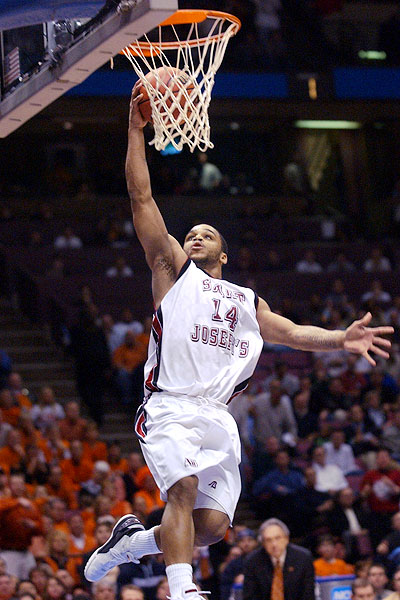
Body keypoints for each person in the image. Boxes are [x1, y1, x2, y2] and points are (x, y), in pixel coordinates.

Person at [84, 85, 394, 600]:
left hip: (218, 418)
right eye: (191, 234)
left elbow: (294, 334)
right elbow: (142, 197)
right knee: (179, 492)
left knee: (208, 529)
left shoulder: (246, 302)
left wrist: (342, 338)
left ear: (225, 253)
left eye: (207, 233)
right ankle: (183, 590)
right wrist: (136, 131)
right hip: (171, 407)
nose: (195, 237)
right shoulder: (172, 273)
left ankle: (131, 545)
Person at [242, 518, 315, 600]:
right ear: (263, 543)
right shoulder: (252, 561)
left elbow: (308, 595)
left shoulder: (303, 558)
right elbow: (250, 596)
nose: (274, 544)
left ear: (286, 539)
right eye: (268, 540)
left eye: (278, 538)